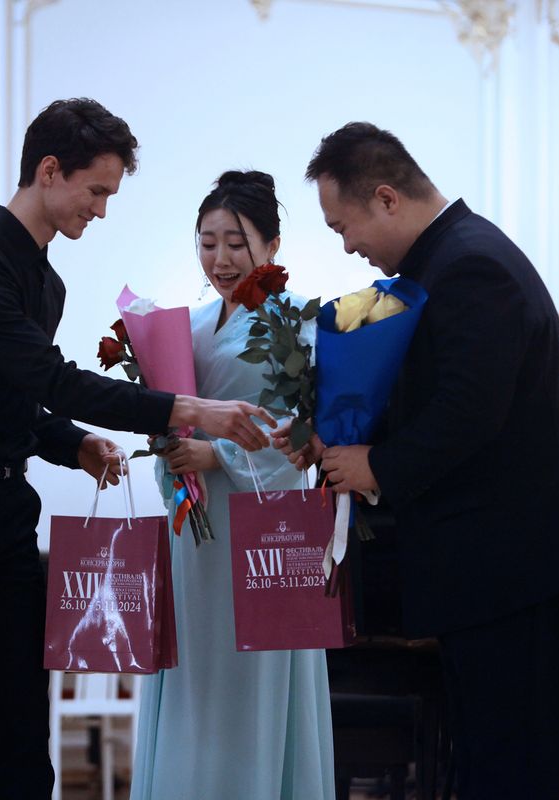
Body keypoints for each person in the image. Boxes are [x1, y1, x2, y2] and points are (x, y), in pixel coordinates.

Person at [0, 98, 275, 800]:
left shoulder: (46, 282)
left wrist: (74, 444)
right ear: (50, 171)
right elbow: (52, 379)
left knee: (22, 712)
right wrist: (191, 409)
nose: (101, 211)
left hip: (2, 507)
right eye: (96, 191)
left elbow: (13, 400)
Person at [277, 122, 559, 799]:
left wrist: (378, 465)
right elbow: (432, 395)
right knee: (489, 761)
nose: (347, 246)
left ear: (386, 198)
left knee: (512, 769)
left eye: (344, 226)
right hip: (496, 564)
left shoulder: (470, 265)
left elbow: (470, 409)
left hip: (516, 563)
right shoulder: (447, 260)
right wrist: (336, 432)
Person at [130, 171, 336, 800]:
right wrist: (171, 449)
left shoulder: (297, 325)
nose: (220, 259)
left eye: (236, 243)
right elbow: (171, 415)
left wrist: (215, 455)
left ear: (272, 246)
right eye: (207, 242)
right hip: (195, 529)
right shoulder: (188, 326)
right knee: (194, 669)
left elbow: (302, 433)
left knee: (255, 668)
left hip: (262, 530)